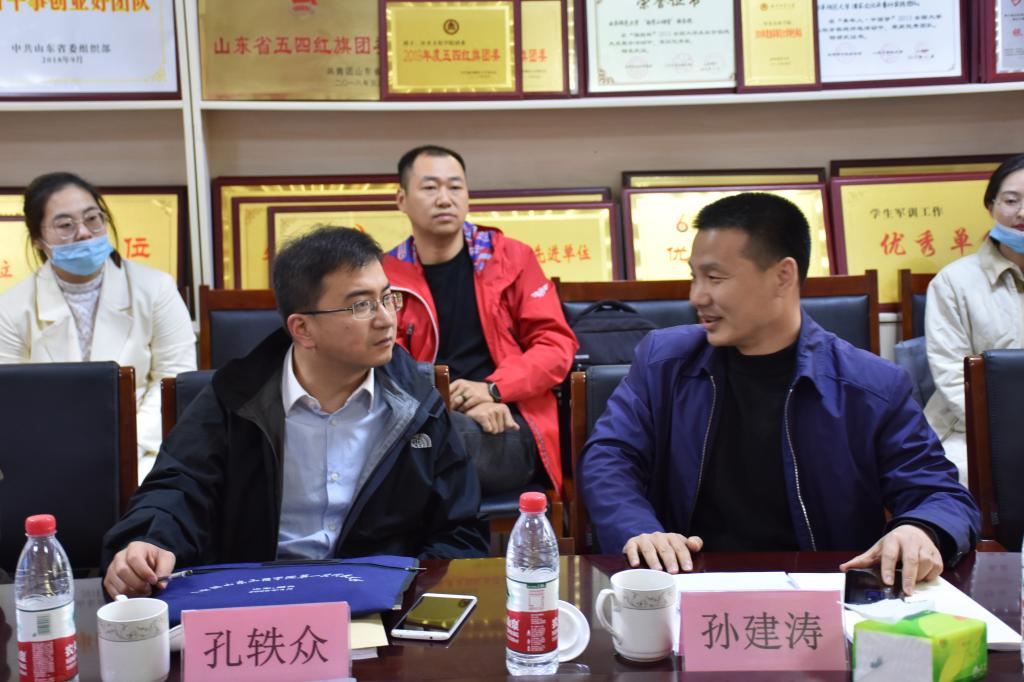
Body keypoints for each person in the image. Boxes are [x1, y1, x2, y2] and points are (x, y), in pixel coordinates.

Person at [579, 192, 980, 596]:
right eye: (694, 277)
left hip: (822, 596)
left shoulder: (871, 386)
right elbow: (609, 457)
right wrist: (639, 529)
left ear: (782, 276)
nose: (697, 296)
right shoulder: (664, 361)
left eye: (715, 278)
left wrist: (921, 529)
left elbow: (940, 493)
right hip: (686, 589)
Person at [102, 227, 488, 597]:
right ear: (302, 329)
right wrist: (149, 541)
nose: (386, 319)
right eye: (361, 305)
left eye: (387, 298)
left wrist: (409, 595)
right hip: (256, 598)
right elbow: (178, 487)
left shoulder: (417, 404)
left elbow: (459, 529)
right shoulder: (236, 398)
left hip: (377, 604)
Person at [382, 145, 577, 497]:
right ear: (402, 199)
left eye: (455, 187)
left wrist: (492, 390)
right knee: (420, 437)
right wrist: (454, 402)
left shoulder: (510, 258)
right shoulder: (386, 276)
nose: (445, 199)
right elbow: (386, 364)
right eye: (430, 187)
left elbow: (556, 346)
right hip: (429, 419)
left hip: (510, 425)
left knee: (426, 446)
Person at [0, 172, 195, 482]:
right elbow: (12, 398)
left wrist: (128, 441)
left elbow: (175, 379)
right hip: (49, 450)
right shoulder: (11, 307)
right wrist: (66, 448)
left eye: (93, 219)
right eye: (65, 225)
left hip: (144, 448)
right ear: (37, 238)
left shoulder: (156, 288)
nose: (83, 233)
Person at [924, 153, 1024, 485]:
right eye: (1011, 200)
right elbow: (952, 376)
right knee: (963, 476)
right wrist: (1007, 431)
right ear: (991, 206)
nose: (1022, 213)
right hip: (970, 429)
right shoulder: (952, 282)